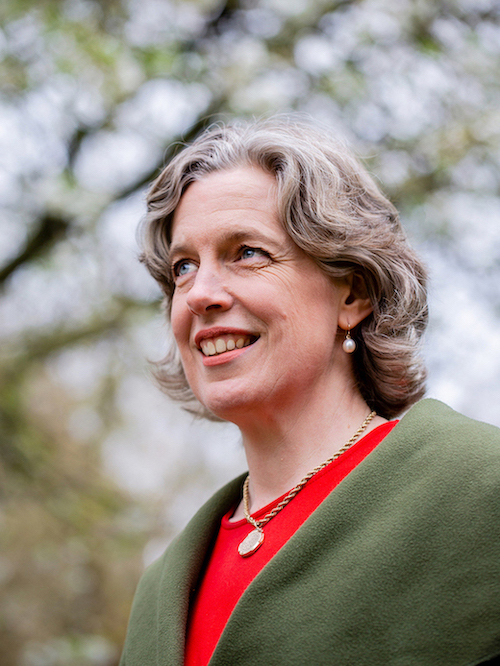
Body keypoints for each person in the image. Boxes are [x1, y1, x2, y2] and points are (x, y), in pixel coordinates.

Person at [120, 117, 500, 665]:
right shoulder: (162, 589)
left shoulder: (479, 493)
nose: (200, 294)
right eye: (183, 267)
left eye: (246, 252)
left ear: (354, 292)